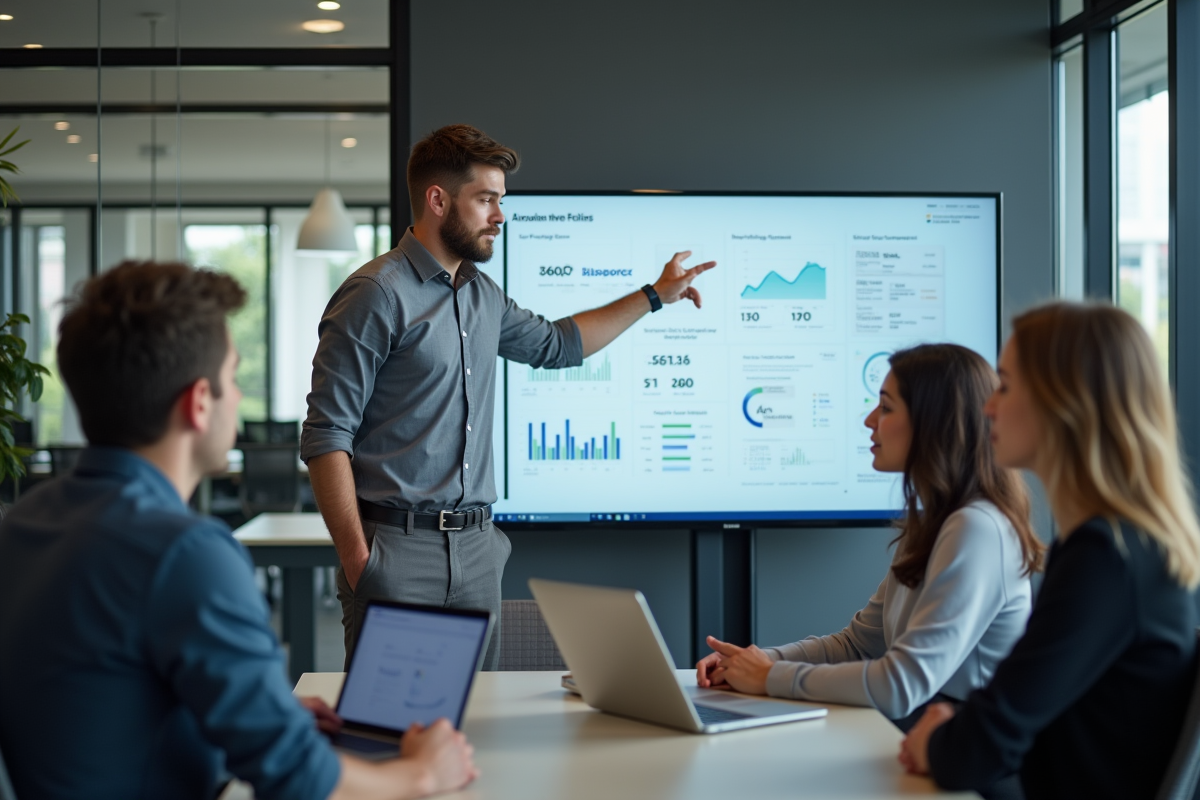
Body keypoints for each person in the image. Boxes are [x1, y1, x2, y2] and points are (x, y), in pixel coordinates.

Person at [0, 261, 477, 800]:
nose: (237, 393)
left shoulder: (26, 523)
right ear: (199, 403)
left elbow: (99, 694)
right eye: (232, 376)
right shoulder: (185, 554)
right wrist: (421, 772)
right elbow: (296, 778)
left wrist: (263, 710)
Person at [302, 124, 715, 669]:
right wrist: (362, 562)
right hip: (398, 552)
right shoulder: (375, 294)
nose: (500, 215)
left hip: (477, 552)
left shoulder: (481, 294)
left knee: (476, 731)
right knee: (393, 736)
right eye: (487, 200)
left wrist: (655, 297)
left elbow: (560, 344)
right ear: (437, 200)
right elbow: (326, 435)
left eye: (501, 200)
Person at [900, 302, 1200, 800]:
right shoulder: (1122, 546)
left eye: (1007, 385)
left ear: (1067, 404)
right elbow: (1022, 703)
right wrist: (956, 730)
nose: (989, 406)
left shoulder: (1106, 559)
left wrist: (939, 740)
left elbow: (979, 750)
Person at [697, 343, 1044, 731]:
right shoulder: (937, 523)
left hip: (966, 762)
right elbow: (859, 645)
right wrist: (756, 660)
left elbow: (900, 684)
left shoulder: (977, 529)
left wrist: (768, 677)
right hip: (922, 735)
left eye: (886, 407)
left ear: (934, 422)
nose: (869, 420)